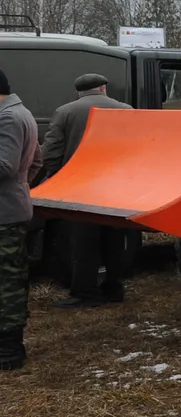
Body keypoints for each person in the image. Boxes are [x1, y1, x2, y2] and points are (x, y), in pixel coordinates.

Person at [39, 74, 133, 307]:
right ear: (103, 88)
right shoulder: (125, 109)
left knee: (83, 242)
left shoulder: (65, 112)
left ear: (78, 92)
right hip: (116, 184)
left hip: (81, 185)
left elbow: (51, 152)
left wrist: (58, 176)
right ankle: (114, 288)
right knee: (114, 237)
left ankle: (86, 293)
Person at [0, 67, 42, 371]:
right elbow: (37, 161)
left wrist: (15, 190)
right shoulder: (20, 112)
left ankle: (9, 350)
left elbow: (4, 166)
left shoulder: (9, 118)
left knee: (7, 283)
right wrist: (22, 187)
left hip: (4, 214)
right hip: (11, 207)